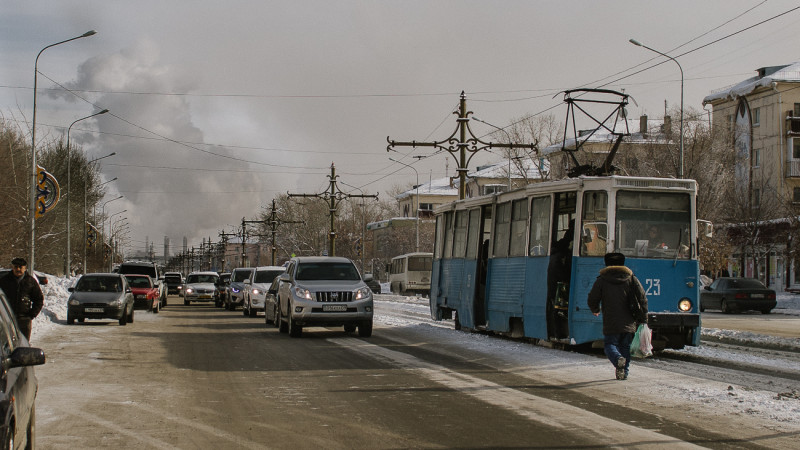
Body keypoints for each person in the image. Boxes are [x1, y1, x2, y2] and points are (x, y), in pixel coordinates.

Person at [587, 252, 647, 380]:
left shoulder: (602, 280)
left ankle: (617, 359)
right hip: (629, 320)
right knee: (625, 346)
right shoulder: (631, 278)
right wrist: (644, 317)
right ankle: (624, 372)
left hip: (611, 320)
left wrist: (595, 309)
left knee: (610, 345)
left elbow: (592, 298)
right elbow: (642, 298)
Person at [0, 257, 44, 341]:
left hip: (23, 319)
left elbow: (39, 299)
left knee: (23, 343)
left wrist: (31, 314)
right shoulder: (4, 281)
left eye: (20, 267)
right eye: (16, 267)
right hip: (8, 319)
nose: (18, 269)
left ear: (25, 268)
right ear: (12, 267)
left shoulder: (30, 281)